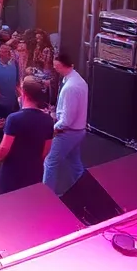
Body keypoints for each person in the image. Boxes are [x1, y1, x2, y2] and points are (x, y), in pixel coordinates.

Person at [0, 78, 55, 194]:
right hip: (34, 170)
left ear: (24, 93)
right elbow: (46, 150)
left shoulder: (14, 119)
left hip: (12, 172)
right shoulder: (48, 120)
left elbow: (4, 148)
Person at [43, 52, 88, 195]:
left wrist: (55, 127)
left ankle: (47, 195)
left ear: (62, 65)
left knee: (50, 163)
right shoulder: (77, 80)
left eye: (56, 66)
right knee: (75, 163)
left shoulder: (71, 87)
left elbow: (67, 120)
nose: (55, 68)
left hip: (68, 133)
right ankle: (86, 191)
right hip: (78, 131)